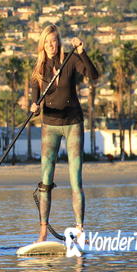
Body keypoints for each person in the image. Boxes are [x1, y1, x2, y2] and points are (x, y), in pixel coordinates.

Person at [30, 25, 99, 243]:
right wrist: (33, 107)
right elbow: (35, 97)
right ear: (42, 44)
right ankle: (42, 231)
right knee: (45, 180)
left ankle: (80, 231)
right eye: (47, 42)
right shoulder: (39, 69)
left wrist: (81, 52)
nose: (51, 45)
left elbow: (93, 75)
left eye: (54, 41)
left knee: (75, 179)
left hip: (73, 124)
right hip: (49, 125)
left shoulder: (70, 60)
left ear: (58, 42)